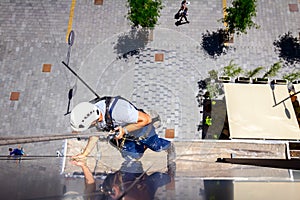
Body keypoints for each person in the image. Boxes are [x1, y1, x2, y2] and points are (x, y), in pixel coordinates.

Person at [70, 96, 171, 160]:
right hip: (124, 132)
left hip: (141, 128)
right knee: (133, 155)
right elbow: (96, 135)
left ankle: (170, 147)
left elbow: (146, 120)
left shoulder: (119, 111)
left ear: (92, 120)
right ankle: (141, 147)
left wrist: (124, 130)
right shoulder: (95, 116)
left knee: (157, 147)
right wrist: (85, 154)